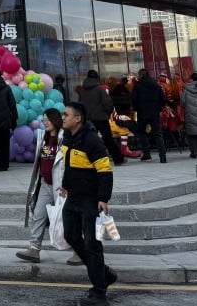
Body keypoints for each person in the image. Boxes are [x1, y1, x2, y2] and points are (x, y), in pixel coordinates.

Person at [60, 102, 118, 305]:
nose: (63, 117)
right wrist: (65, 185)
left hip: (90, 201)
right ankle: (104, 274)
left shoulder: (92, 140)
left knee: (92, 244)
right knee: (71, 236)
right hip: (72, 197)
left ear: (78, 119)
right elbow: (68, 164)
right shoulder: (68, 137)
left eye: (66, 115)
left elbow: (105, 170)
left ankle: (99, 292)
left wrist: (103, 198)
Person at [16, 108, 65, 263]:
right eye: (44, 120)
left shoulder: (64, 138)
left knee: (67, 219)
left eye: (48, 119)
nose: (45, 122)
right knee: (38, 215)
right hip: (45, 184)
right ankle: (34, 249)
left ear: (56, 119)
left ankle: (79, 252)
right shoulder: (43, 137)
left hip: (61, 186)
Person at [81, 70, 124, 166]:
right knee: (108, 139)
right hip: (101, 118)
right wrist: (108, 112)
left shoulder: (83, 90)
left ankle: (89, 160)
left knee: (90, 139)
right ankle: (118, 159)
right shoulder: (99, 89)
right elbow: (108, 103)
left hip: (89, 118)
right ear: (96, 78)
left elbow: (81, 104)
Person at [131, 68, 167, 163]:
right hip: (155, 113)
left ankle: (146, 154)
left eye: (138, 75)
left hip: (142, 113)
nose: (137, 77)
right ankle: (162, 156)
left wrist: (137, 109)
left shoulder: (137, 86)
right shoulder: (156, 85)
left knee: (142, 133)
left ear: (141, 76)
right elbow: (163, 100)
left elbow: (134, 100)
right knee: (158, 134)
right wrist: (158, 109)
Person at [180, 73, 197, 159]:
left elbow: (182, 103)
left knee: (192, 135)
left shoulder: (186, 89)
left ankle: (194, 153)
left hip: (190, 115)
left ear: (191, 79)